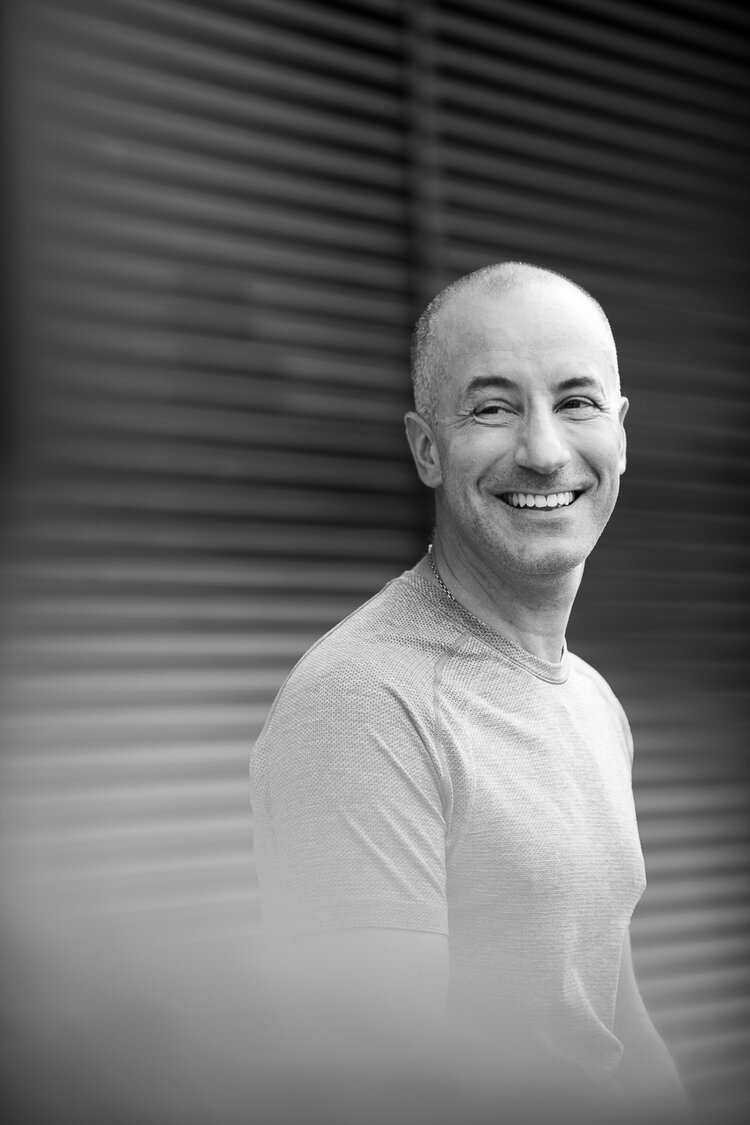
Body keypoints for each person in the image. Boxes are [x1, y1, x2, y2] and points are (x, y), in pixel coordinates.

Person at [249, 263, 692, 1124]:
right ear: (427, 448)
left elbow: (612, 1030)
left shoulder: (593, 701)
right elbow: (382, 1087)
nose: (544, 450)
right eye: (493, 407)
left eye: (576, 402)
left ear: (621, 433)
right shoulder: (362, 703)